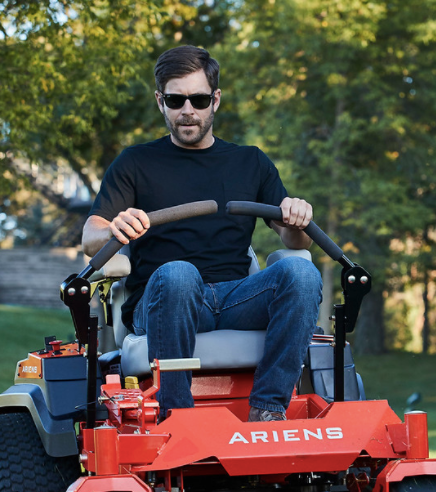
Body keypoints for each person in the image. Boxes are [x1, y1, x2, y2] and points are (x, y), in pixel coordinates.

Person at [81, 45, 322, 423]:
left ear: (216, 99)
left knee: (303, 273)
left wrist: (298, 219)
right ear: (161, 101)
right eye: (176, 100)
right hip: (163, 299)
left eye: (198, 99)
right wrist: (114, 227)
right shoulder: (135, 162)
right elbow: (90, 236)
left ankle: (268, 409)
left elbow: (296, 243)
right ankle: (178, 419)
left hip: (235, 296)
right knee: (180, 273)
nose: (188, 110)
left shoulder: (251, 161)